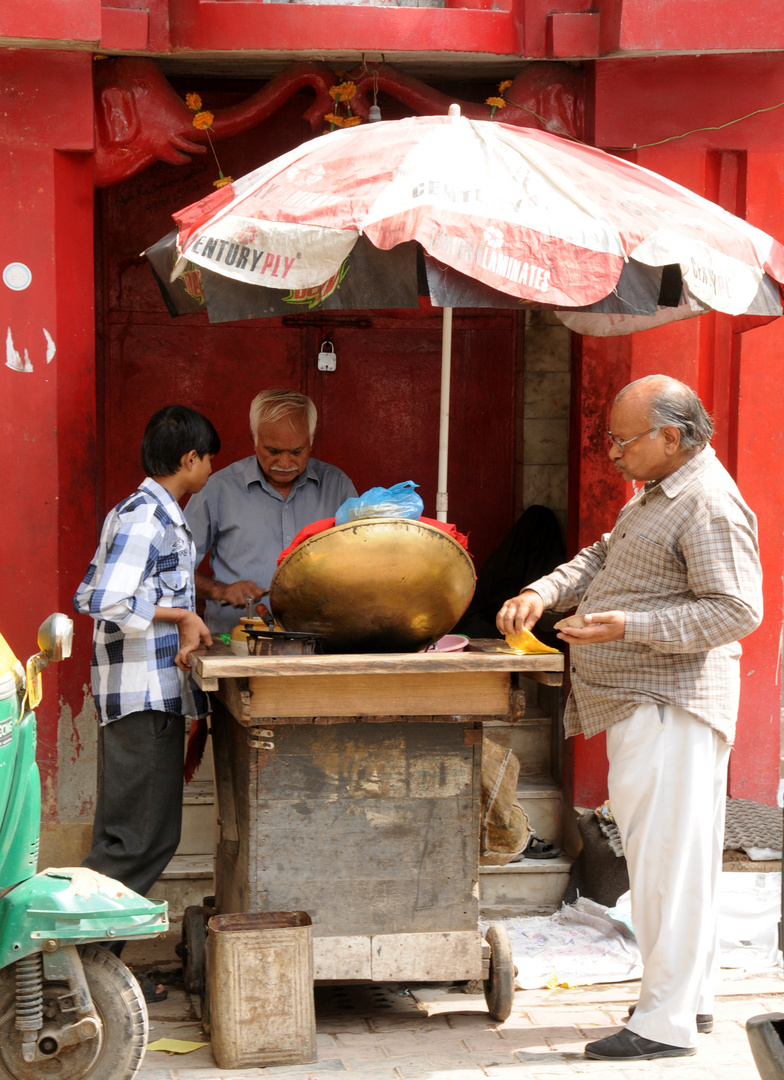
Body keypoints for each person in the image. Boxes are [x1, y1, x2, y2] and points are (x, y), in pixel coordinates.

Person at [496, 375, 763, 1062]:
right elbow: (604, 556)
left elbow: (738, 611)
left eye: (623, 439)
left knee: (666, 863)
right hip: (646, 699)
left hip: (670, 701)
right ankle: (691, 1000)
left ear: (671, 438)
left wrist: (628, 627)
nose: (611, 451)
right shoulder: (659, 492)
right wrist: (542, 589)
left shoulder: (706, 502)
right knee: (681, 860)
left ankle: (663, 1023)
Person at [74, 405, 218, 999]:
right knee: (140, 841)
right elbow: (101, 598)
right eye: (210, 456)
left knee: (131, 838)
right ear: (190, 460)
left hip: (150, 695)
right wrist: (182, 613)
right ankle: (69, 969)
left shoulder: (158, 514)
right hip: (139, 699)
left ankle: (88, 968)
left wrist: (185, 619)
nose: (212, 466)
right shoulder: (144, 517)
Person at [185, 388, 357, 635]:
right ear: (254, 439)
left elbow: (363, 564)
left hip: (318, 643)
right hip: (236, 644)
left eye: (297, 451)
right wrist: (219, 590)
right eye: (273, 451)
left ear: (311, 440)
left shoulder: (338, 487)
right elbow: (173, 569)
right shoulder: (217, 490)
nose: (285, 463)